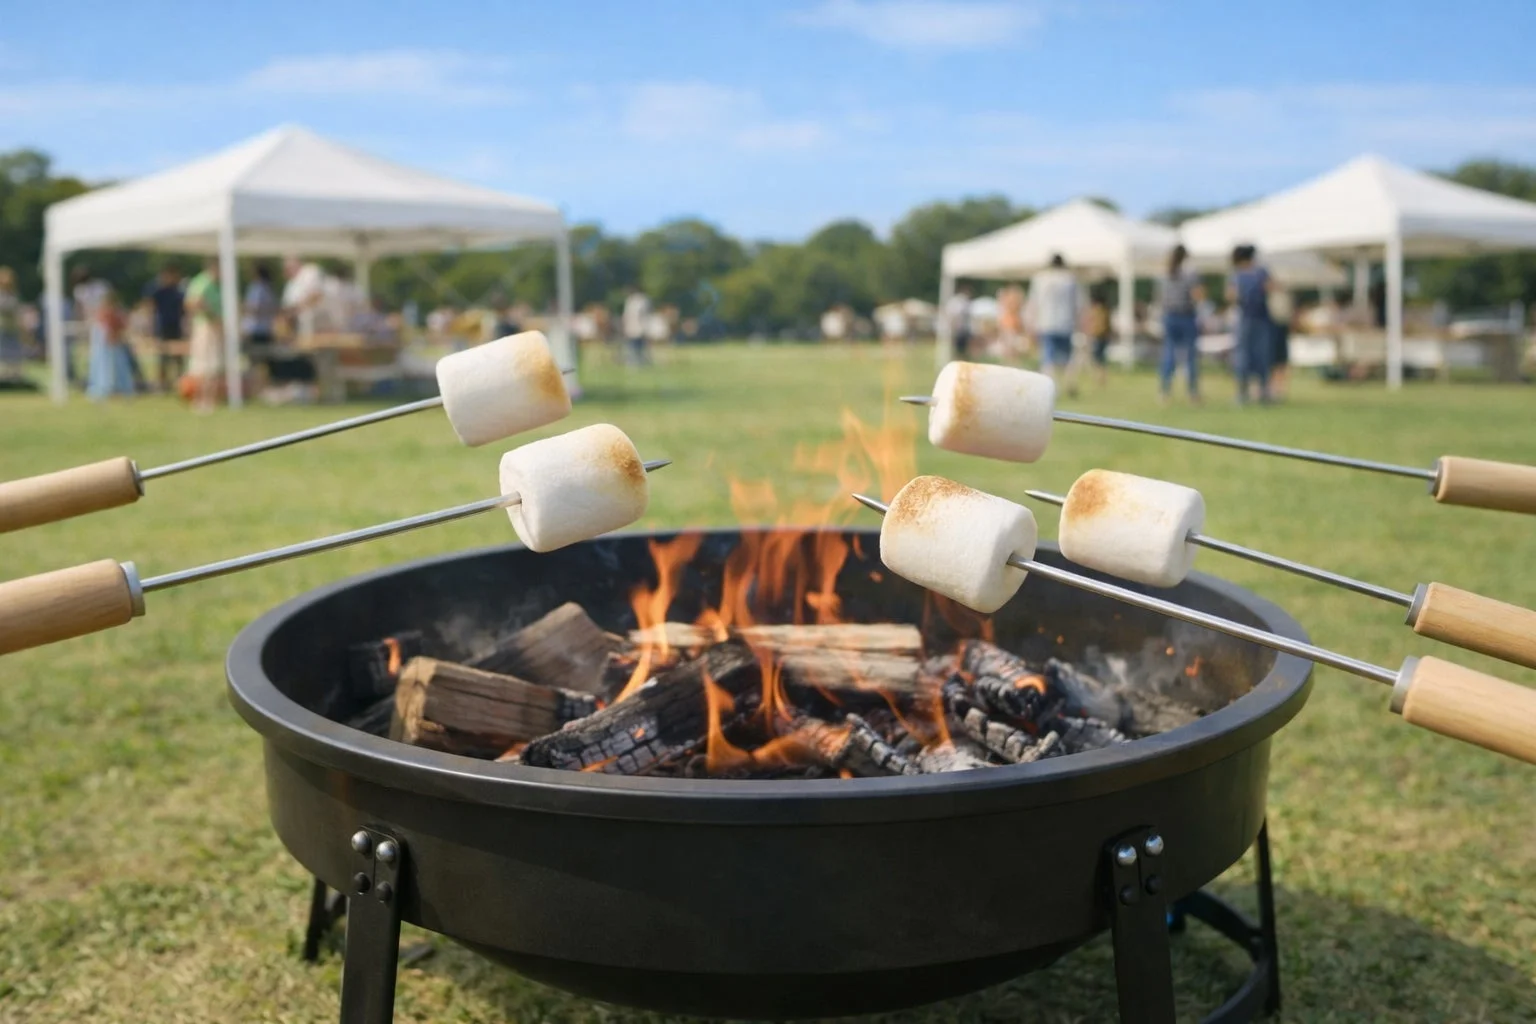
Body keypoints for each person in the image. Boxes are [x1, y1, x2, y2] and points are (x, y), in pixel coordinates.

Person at [1026, 254, 1083, 397]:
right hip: (1066, 323)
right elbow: (1078, 304)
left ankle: (1050, 388)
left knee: (1048, 358)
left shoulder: (1040, 278)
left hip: (1046, 323)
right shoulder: (1070, 279)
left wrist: (1031, 324)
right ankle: (1069, 383)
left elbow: (1033, 303)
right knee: (1066, 358)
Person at [1226, 245, 1273, 404]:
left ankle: (1242, 393)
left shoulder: (1236, 275)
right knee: (1262, 355)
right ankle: (1263, 391)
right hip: (1261, 318)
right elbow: (1271, 288)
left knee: (1242, 356)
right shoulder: (1261, 272)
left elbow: (1231, 295)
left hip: (1243, 318)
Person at [1158, 245, 1204, 403]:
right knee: (1189, 356)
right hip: (1186, 316)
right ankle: (1192, 393)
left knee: (1169, 354)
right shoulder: (1190, 273)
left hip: (1169, 316)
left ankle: (1164, 392)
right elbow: (1198, 295)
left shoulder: (1166, 273)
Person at [183, 258, 223, 413]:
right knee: (203, 366)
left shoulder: (215, 284)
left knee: (213, 366)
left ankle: (209, 400)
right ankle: (200, 400)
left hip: (213, 328)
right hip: (206, 327)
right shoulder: (202, 282)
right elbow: (194, 302)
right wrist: (211, 315)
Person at [86, 290, 135, 400]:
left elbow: (120, 328)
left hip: (113, 345)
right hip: (106, 346)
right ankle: (105, 389)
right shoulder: (105, 313)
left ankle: (119, 389)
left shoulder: (114, 313)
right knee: (104, 369)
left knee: (117, 368)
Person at [145, 266, 186, 391]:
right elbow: (150, 307)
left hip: (176, 326)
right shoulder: (158, 291)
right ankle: (162, 384)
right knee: (162, 357)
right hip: (162, 326)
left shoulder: (178, 291)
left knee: (178, 357)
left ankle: (180, 382)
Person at [1268, 282, 1294, 400]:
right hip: (1270, 329)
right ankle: (1272, 389)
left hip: (1281, 329)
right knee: (1272, 362)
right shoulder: (1269, 296)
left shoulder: (1285, 295)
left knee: (1280, 362)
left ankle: (1278, 389)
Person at [244, 263, 278, 347]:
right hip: (266, 328)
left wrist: (244, 308)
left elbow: (255, 307)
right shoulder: (269, 288)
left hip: (256, 329)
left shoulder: (257, 288)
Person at [1085, 288, 1112, 391]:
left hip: (1097, 336)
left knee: (1097, 359)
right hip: (1104, 336)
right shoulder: (1106, 310)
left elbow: (1093, 324)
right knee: (1102, 359)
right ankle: (1101, 377)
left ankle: (1099, 377)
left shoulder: (1096, 310)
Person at [621, 286, 651, 366]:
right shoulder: (631, 301)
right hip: (634, 328)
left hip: (638, 328)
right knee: (633, 346)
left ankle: (638, 362)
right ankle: (634, 362)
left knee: (638, 346)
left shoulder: (640, 301)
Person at [0, 268, 22, 372]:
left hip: (13, 327)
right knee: (4, 352)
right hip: (3, 327)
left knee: (14, 352)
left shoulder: (13, 294)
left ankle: (14, 374)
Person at [945, 284, 973, 359]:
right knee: (958, 348)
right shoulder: (960, 302)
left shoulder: (961, 301)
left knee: (961, 348)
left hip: (961, 329)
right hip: (958, 329)